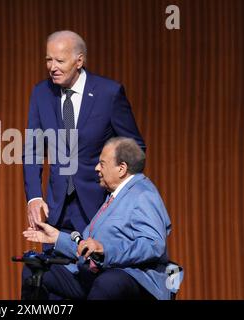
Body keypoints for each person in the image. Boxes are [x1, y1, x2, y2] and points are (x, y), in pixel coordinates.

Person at [23, 30, 146, 242]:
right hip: (56, 210)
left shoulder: (109, 93)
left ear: (79, 61)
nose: (52, 67)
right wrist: (34, 196)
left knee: (95, 272)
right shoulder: (41, 93)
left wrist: (118, 194)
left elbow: (135, 149)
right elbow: (32, 150)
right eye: (48, 60)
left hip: (100, 206)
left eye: (60, 60)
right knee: (51, 273)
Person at [22, 137, 173, 300]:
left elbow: (153, 245)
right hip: (97, 272)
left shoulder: (143, 194)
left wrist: (106, 251)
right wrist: (57, 238)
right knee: (36, 270)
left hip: (132, 277)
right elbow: (89, 248)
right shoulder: (113, 196)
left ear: (121, 168)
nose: (96, 168)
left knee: (107, 284)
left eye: (102, 164)